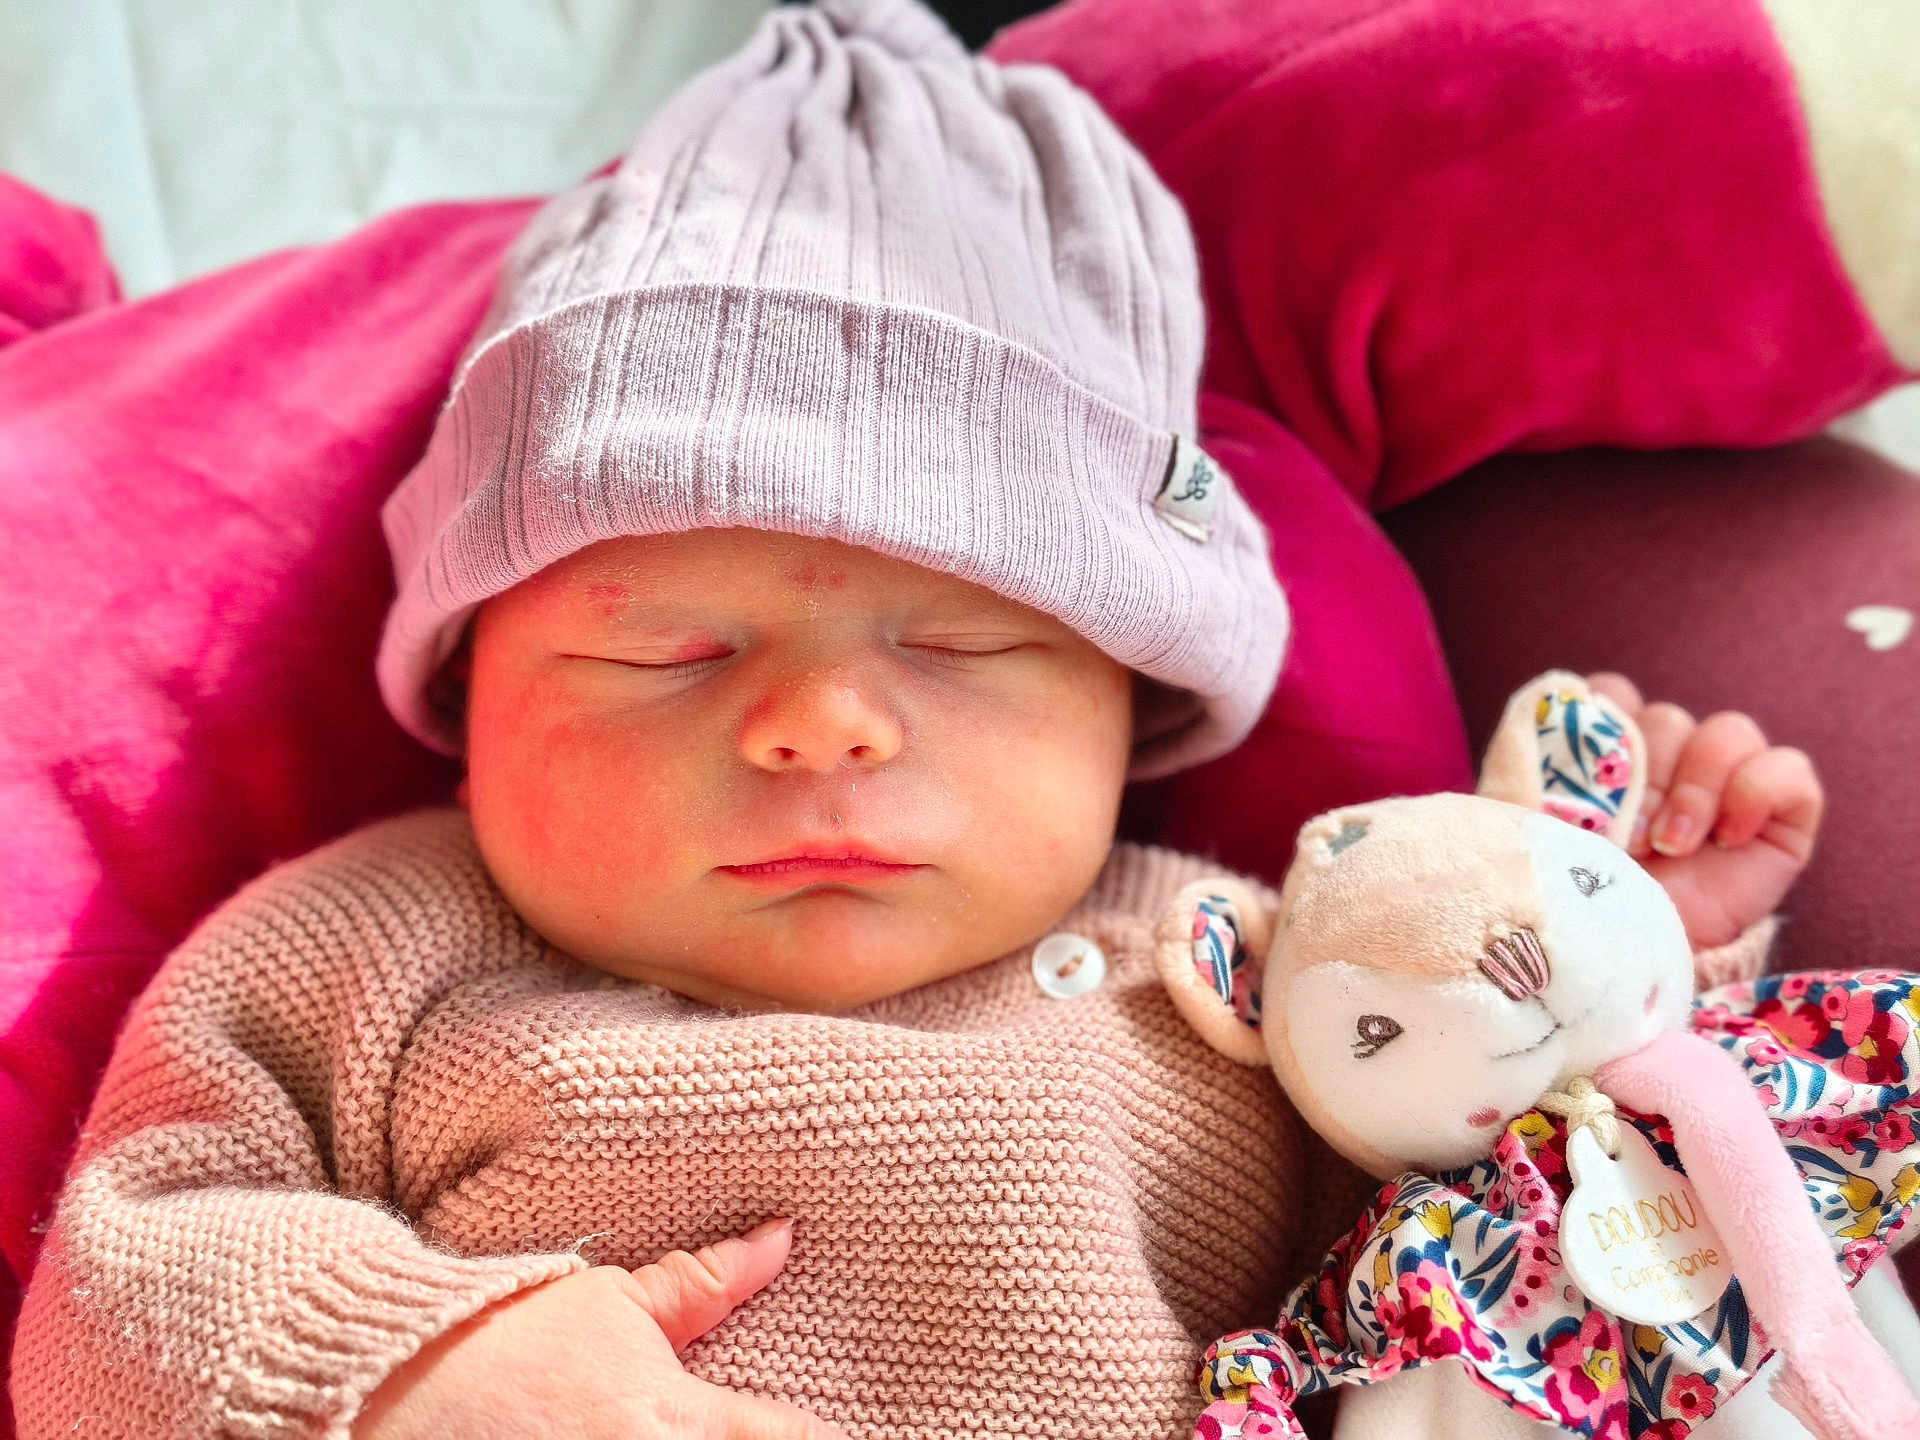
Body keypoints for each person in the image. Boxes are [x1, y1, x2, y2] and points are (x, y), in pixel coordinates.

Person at [8, 2, 1821, 1436]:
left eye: (962, 646)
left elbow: (1516, 1247)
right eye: (670, 652)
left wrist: (1645, 968)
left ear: (1139, 707)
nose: (825, 727)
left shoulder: (1257, 975)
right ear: (470, 684)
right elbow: (125, 1276)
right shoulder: (368, 945)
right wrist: (409, 1371)